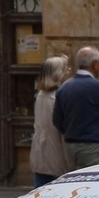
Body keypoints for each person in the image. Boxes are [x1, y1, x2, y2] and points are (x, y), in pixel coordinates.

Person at [29, 54, 73, 188]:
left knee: (40, 187)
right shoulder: (56, 98)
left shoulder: (41, 94)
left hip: (41, 149)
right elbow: (62, 129)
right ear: (58, 74)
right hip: (55, 151)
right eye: (66, 69)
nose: (70, 71)